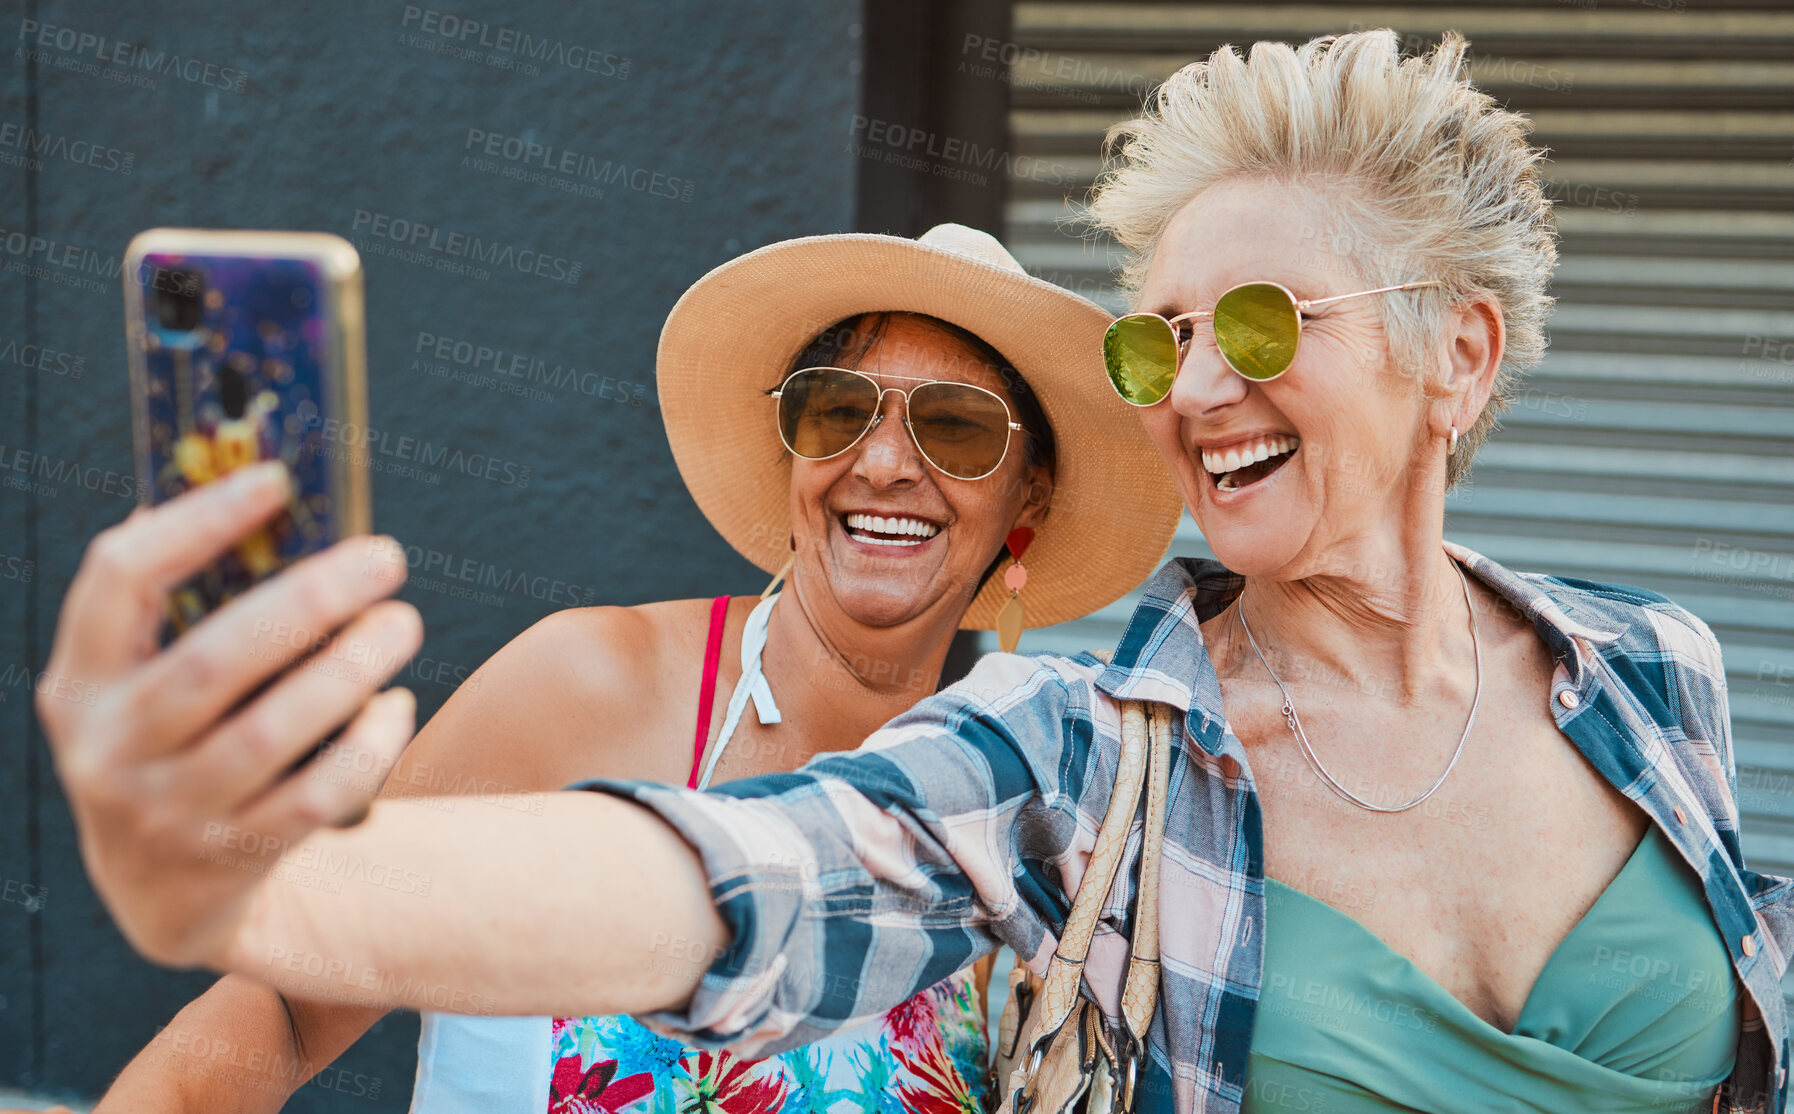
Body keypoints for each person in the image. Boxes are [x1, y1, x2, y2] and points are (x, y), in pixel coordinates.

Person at [37, 30, 1792, 1114]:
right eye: (1155, 341)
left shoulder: (1649, 670)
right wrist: (238, 883)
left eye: (1254, 322)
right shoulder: (1083, 749)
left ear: (1459, 355)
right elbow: (741, 879)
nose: (1190, 388)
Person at [65, 225, 1183, 1113]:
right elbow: (287, 1005)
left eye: (959, 428)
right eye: (837, 409)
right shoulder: (584, 686)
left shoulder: (1029, 815)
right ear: (789, 449)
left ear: (1024, 499)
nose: (885, 463)